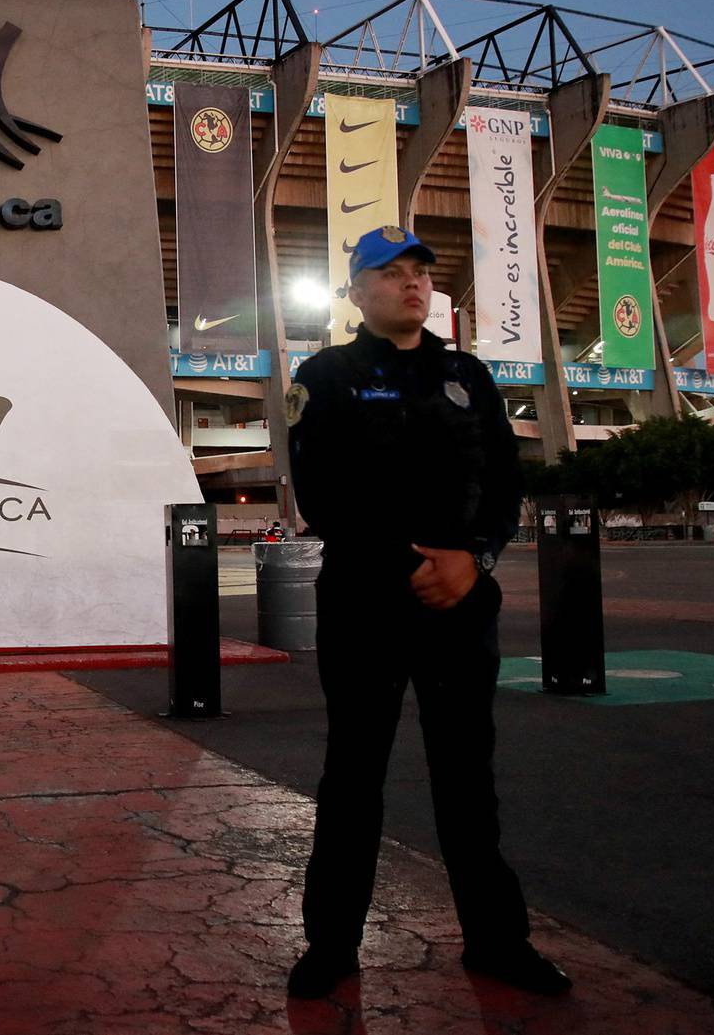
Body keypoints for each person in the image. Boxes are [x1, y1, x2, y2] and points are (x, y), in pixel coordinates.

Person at [283, 226, 569, 999]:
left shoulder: (467, 376)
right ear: (357, 291)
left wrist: (471, 560)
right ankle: (331, 945)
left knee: (467, 777)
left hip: (460, 607)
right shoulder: (326, 375)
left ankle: (497, 941)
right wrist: (419, 565)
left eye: (419, 273)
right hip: (365, 606)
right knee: (353, 777)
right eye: (391, 273)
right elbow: (323, 499)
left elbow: (506, 486)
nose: (411, 284)